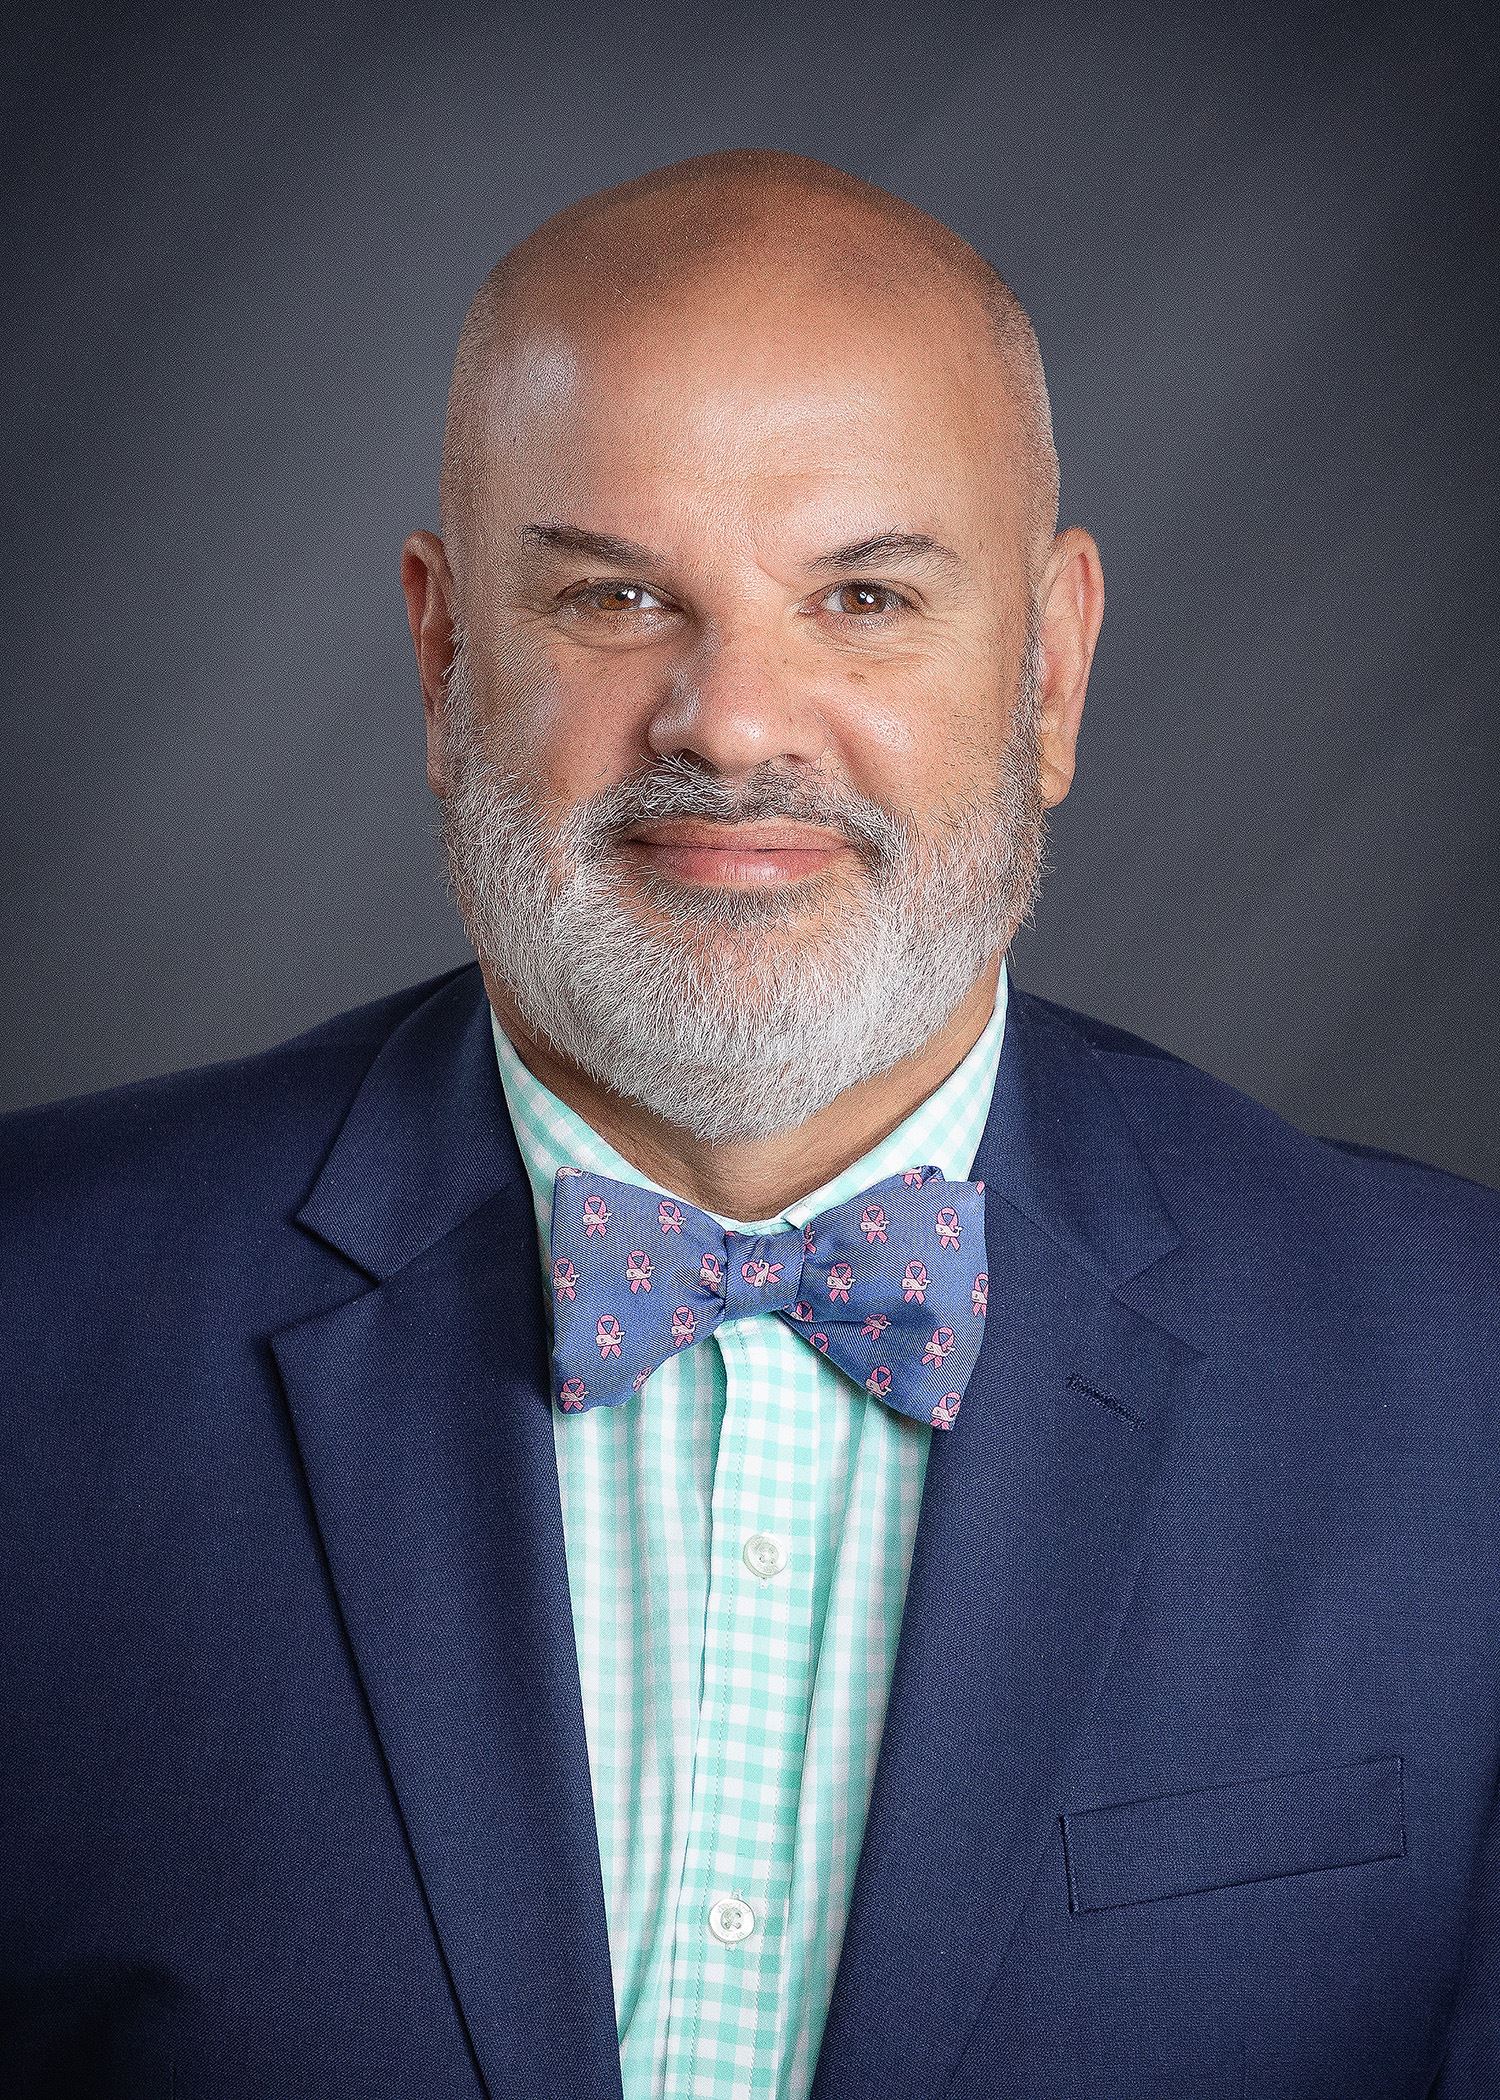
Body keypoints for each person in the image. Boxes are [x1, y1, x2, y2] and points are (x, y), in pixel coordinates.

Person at [1, 149, 1495, 2100]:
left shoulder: (1463, 1382)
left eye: (863, 597)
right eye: (617, 595)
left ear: (1050, 669)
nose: (730, 721)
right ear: (443, 658)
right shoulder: (32, 1329)